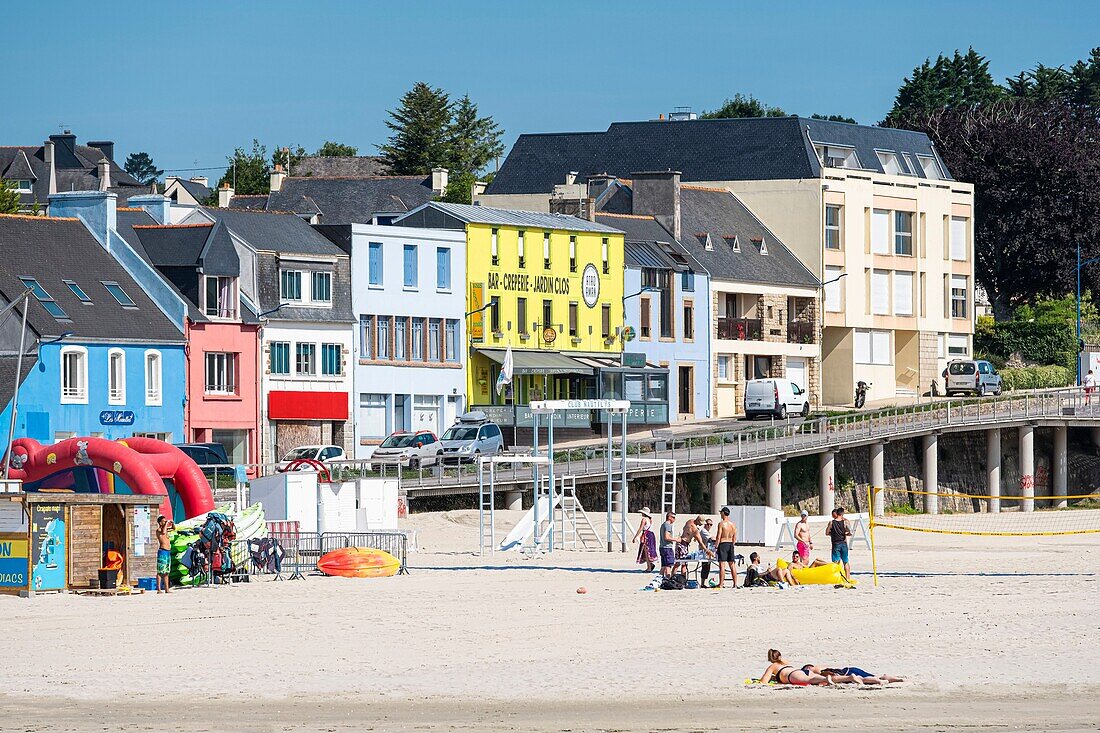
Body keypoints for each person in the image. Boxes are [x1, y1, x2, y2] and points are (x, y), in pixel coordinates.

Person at [758, 649, 858, 686]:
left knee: (813, 680)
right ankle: (849, 678)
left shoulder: (773, 666)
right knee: (814, 678)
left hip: (792, 676)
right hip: (800, 671)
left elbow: (763, 681)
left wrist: (770, 676)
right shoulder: (786, 662)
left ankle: (825, 678)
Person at [713, 506, 738, 588]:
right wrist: (732, 545)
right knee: (732, 565)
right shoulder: (733, 525)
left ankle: (721, 583)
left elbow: (719, 536)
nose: (720, 514)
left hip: (723, 543)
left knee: (722, 565)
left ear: (723, 513)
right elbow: (735, 538)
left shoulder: (721, 524)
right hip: (730, 544)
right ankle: (735, 583)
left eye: (721, 512)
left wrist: (716, 546)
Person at [805, 664, 904, 685]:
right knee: (873, 676)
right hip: (849, 669)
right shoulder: (822, 666)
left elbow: (825, 676)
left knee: (865, 680)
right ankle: (895, 679)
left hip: (844, 673)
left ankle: (880, 681)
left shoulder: (815, 670)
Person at [826, 507, 853, 581]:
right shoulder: (845, 522)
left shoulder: (831, 522)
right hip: (843, 544)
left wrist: (833, 534)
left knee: (836, 563)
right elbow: (850, 532)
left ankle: (838, 579)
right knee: (846, 562)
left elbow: (827, 533)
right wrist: (845, 534)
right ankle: (848, 578)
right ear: (842, 513)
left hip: (836, 544)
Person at [632, 507, 657, 572]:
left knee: (646, 552)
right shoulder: (650, 519)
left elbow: (640, 528)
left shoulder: (644, 519)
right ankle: (650, 565)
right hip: (651, 535)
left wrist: (635, 537)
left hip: (646, 535)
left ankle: (649, 567)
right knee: (649, 551)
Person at [658, 511, 680, 578]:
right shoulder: (668, 525)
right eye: (673, 517)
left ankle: (659, 580)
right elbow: (667, 537)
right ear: (669, 517)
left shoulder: (663, 524)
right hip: (667, 548)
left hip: (662, 547)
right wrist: (676, 539)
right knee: (668, 565)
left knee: (663, 566)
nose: (674, 519)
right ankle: (668, 579)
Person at [155, 515, 174, 594]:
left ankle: (167, 589)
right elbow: (163, 532)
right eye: (163, 521)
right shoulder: (159, 530)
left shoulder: (166, 529)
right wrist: (166, 524)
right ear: (160, 522)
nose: (165, 522)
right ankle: (159, 589)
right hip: (162, 551)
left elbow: (174, 528)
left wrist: (172, 523)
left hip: (167, 551)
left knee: (166, 571)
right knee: (160, 571)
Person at [699, 518, 716, 587]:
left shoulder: (707, 532)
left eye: (711, 524)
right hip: (704, 551)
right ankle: (702, 583)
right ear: (705, 524)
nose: (709, 526)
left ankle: (703, 583)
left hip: (708, 551)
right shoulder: (703, 531)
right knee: (705, 567)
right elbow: (712, 538)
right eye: (708, 524)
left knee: (707, 567)